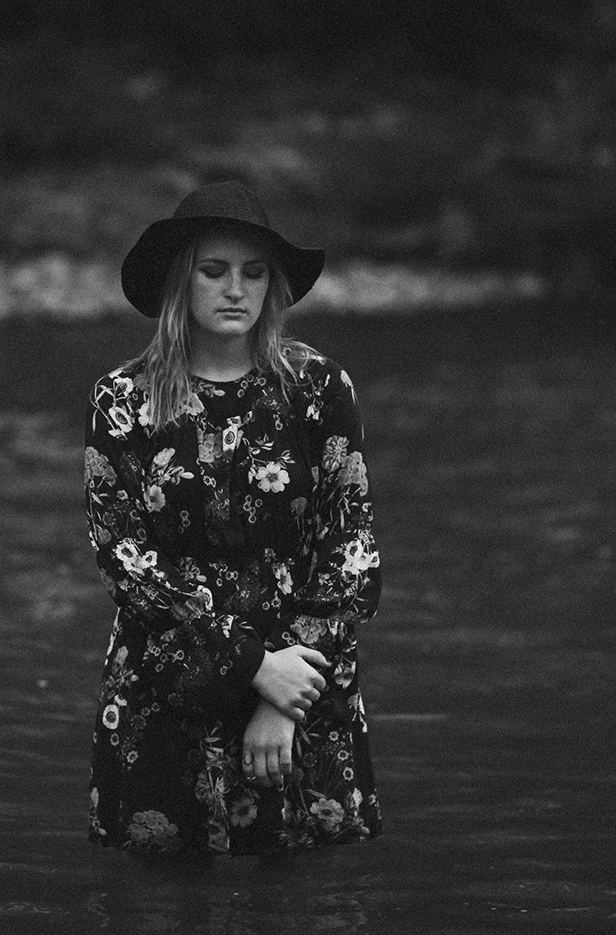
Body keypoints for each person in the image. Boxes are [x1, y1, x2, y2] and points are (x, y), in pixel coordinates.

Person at [83, 180, 382, 858]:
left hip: (303, 678)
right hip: (170, 684)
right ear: (179, 283)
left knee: (313, 923)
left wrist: (281, 694)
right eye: (213, 272)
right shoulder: (122, 399)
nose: (235, 290)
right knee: (158, 925)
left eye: (253, 273)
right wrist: (251, 664)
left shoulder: (318, 389)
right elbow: (126, 563)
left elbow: (351, 550)